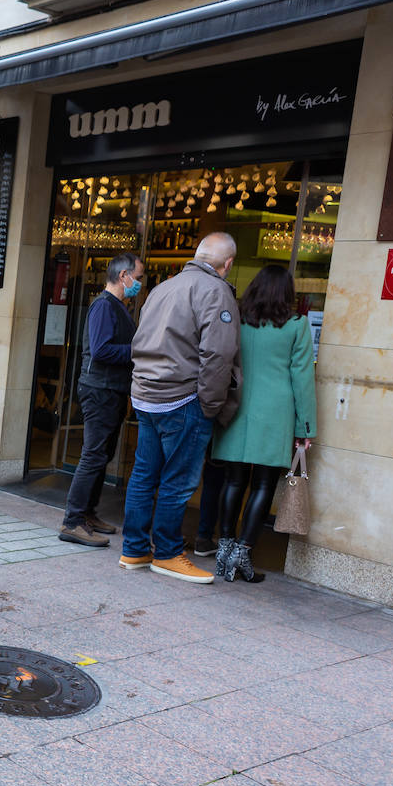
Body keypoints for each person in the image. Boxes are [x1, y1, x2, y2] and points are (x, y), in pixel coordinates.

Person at [120, 232, 241, 584]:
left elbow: (140, 340)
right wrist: (212, 405)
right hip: (183, 398)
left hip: (146, 396)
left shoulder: (163, 287)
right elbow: (218, 356)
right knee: (177, 481)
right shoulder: (216, 291)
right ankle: (169, 553)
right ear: (228, 263)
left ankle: (135, 549)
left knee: (144, 475)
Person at [212, 266, 316, 583]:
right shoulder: (296, 325)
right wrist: (305, 427)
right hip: (276, 413)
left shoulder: (238, 320)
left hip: (237, 407)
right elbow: (302, 379)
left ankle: (224, 550)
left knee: (233, 482)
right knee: (263, 485)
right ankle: (243, 554)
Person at [58, 253, 141, 547]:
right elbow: (102, 350)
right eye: (138, 277)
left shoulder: (116, 306)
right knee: (93, 455)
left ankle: (88, 514)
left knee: (102, 455)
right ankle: (72, 521)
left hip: (111, 390)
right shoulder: (104, 306)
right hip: (100, 389)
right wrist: (137, 350)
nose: (139, 283)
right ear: (124, 277)